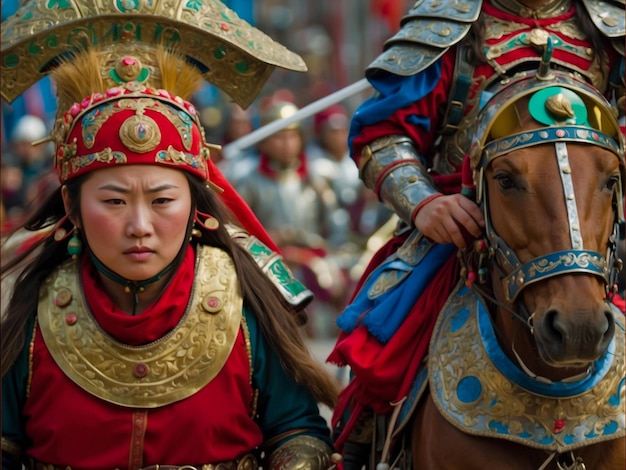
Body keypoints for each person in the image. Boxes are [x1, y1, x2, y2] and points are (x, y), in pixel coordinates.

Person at [1, 1, 341, 468]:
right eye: (114, 202)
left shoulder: (244, 301)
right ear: (72, 209)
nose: (139, 226)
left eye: (162, 201)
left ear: (194, 204)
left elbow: (298, 431)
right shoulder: (29, 312)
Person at [328, 0, 625, 464]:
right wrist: (425, 204)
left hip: (596, 232)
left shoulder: (612, 29)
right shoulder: (448, 25)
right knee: (380, 360)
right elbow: (383, 135)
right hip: (467, 235)